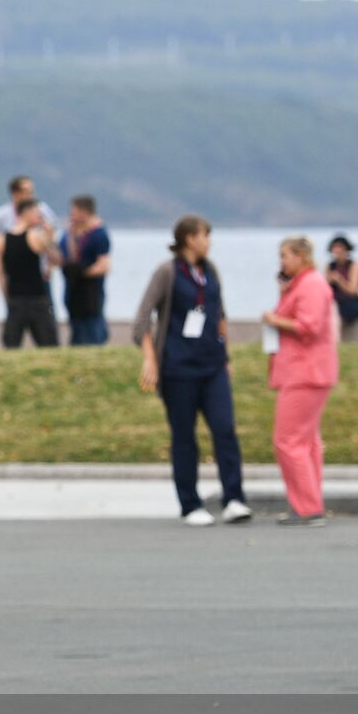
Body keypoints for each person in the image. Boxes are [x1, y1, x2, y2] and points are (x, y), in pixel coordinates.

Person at [132, 215, 252, 527]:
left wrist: (225, 354)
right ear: (189, 239)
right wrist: (150, 360)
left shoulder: (210, 271)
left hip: (211, 365)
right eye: (204, 236)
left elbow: (219, 316)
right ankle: (190, 504)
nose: (208, 242)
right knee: (184, 437)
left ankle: (234, 498)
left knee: (225, 429)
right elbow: (142, 321)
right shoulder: (168, 272)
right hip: (178, 368)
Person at [263, 237, 339, 526]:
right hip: (303, 371)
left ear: (301, 256)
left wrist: (274, 320)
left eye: (285, 256)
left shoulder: (311, 285)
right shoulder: (302, 284)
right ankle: (307, 502)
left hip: (304, 373)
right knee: (306, 441)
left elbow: (309, 326)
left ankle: (308, 506)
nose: (282, 261)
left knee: (288, 440)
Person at [0, 199, 61, 348]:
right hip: (37, 297)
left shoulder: (1, 239)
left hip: (14, 297)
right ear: (27, 213)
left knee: (11, 344)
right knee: (48, 343)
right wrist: (50, 236)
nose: (40, 218)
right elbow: (57, 259)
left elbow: (0, 273)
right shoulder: (36, 236)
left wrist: (6, 297)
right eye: (38, 214)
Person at [58, 195, 112, 346]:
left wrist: (81, 272)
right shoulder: (71, 234)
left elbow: (104, 266)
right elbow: (63, 257)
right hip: (72, 290)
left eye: (74, 212)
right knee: (77, 330)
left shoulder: (99, 234)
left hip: (90, 292)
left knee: (92, 327)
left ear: (84, 212)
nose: (71, 216)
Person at [0, 174, 58, 239]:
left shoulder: (41, 208)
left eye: (32, 191)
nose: (30, 195)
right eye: (26, 191)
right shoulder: (1, 214)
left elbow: (53, 229)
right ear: (15, 192)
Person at [325, 234, 358, 332]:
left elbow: (353, 290)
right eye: (335, 248)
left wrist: (339, 280)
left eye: (340, 248)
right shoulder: (330, 266)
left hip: (348, 304)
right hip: (334, 303)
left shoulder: (354, 266)